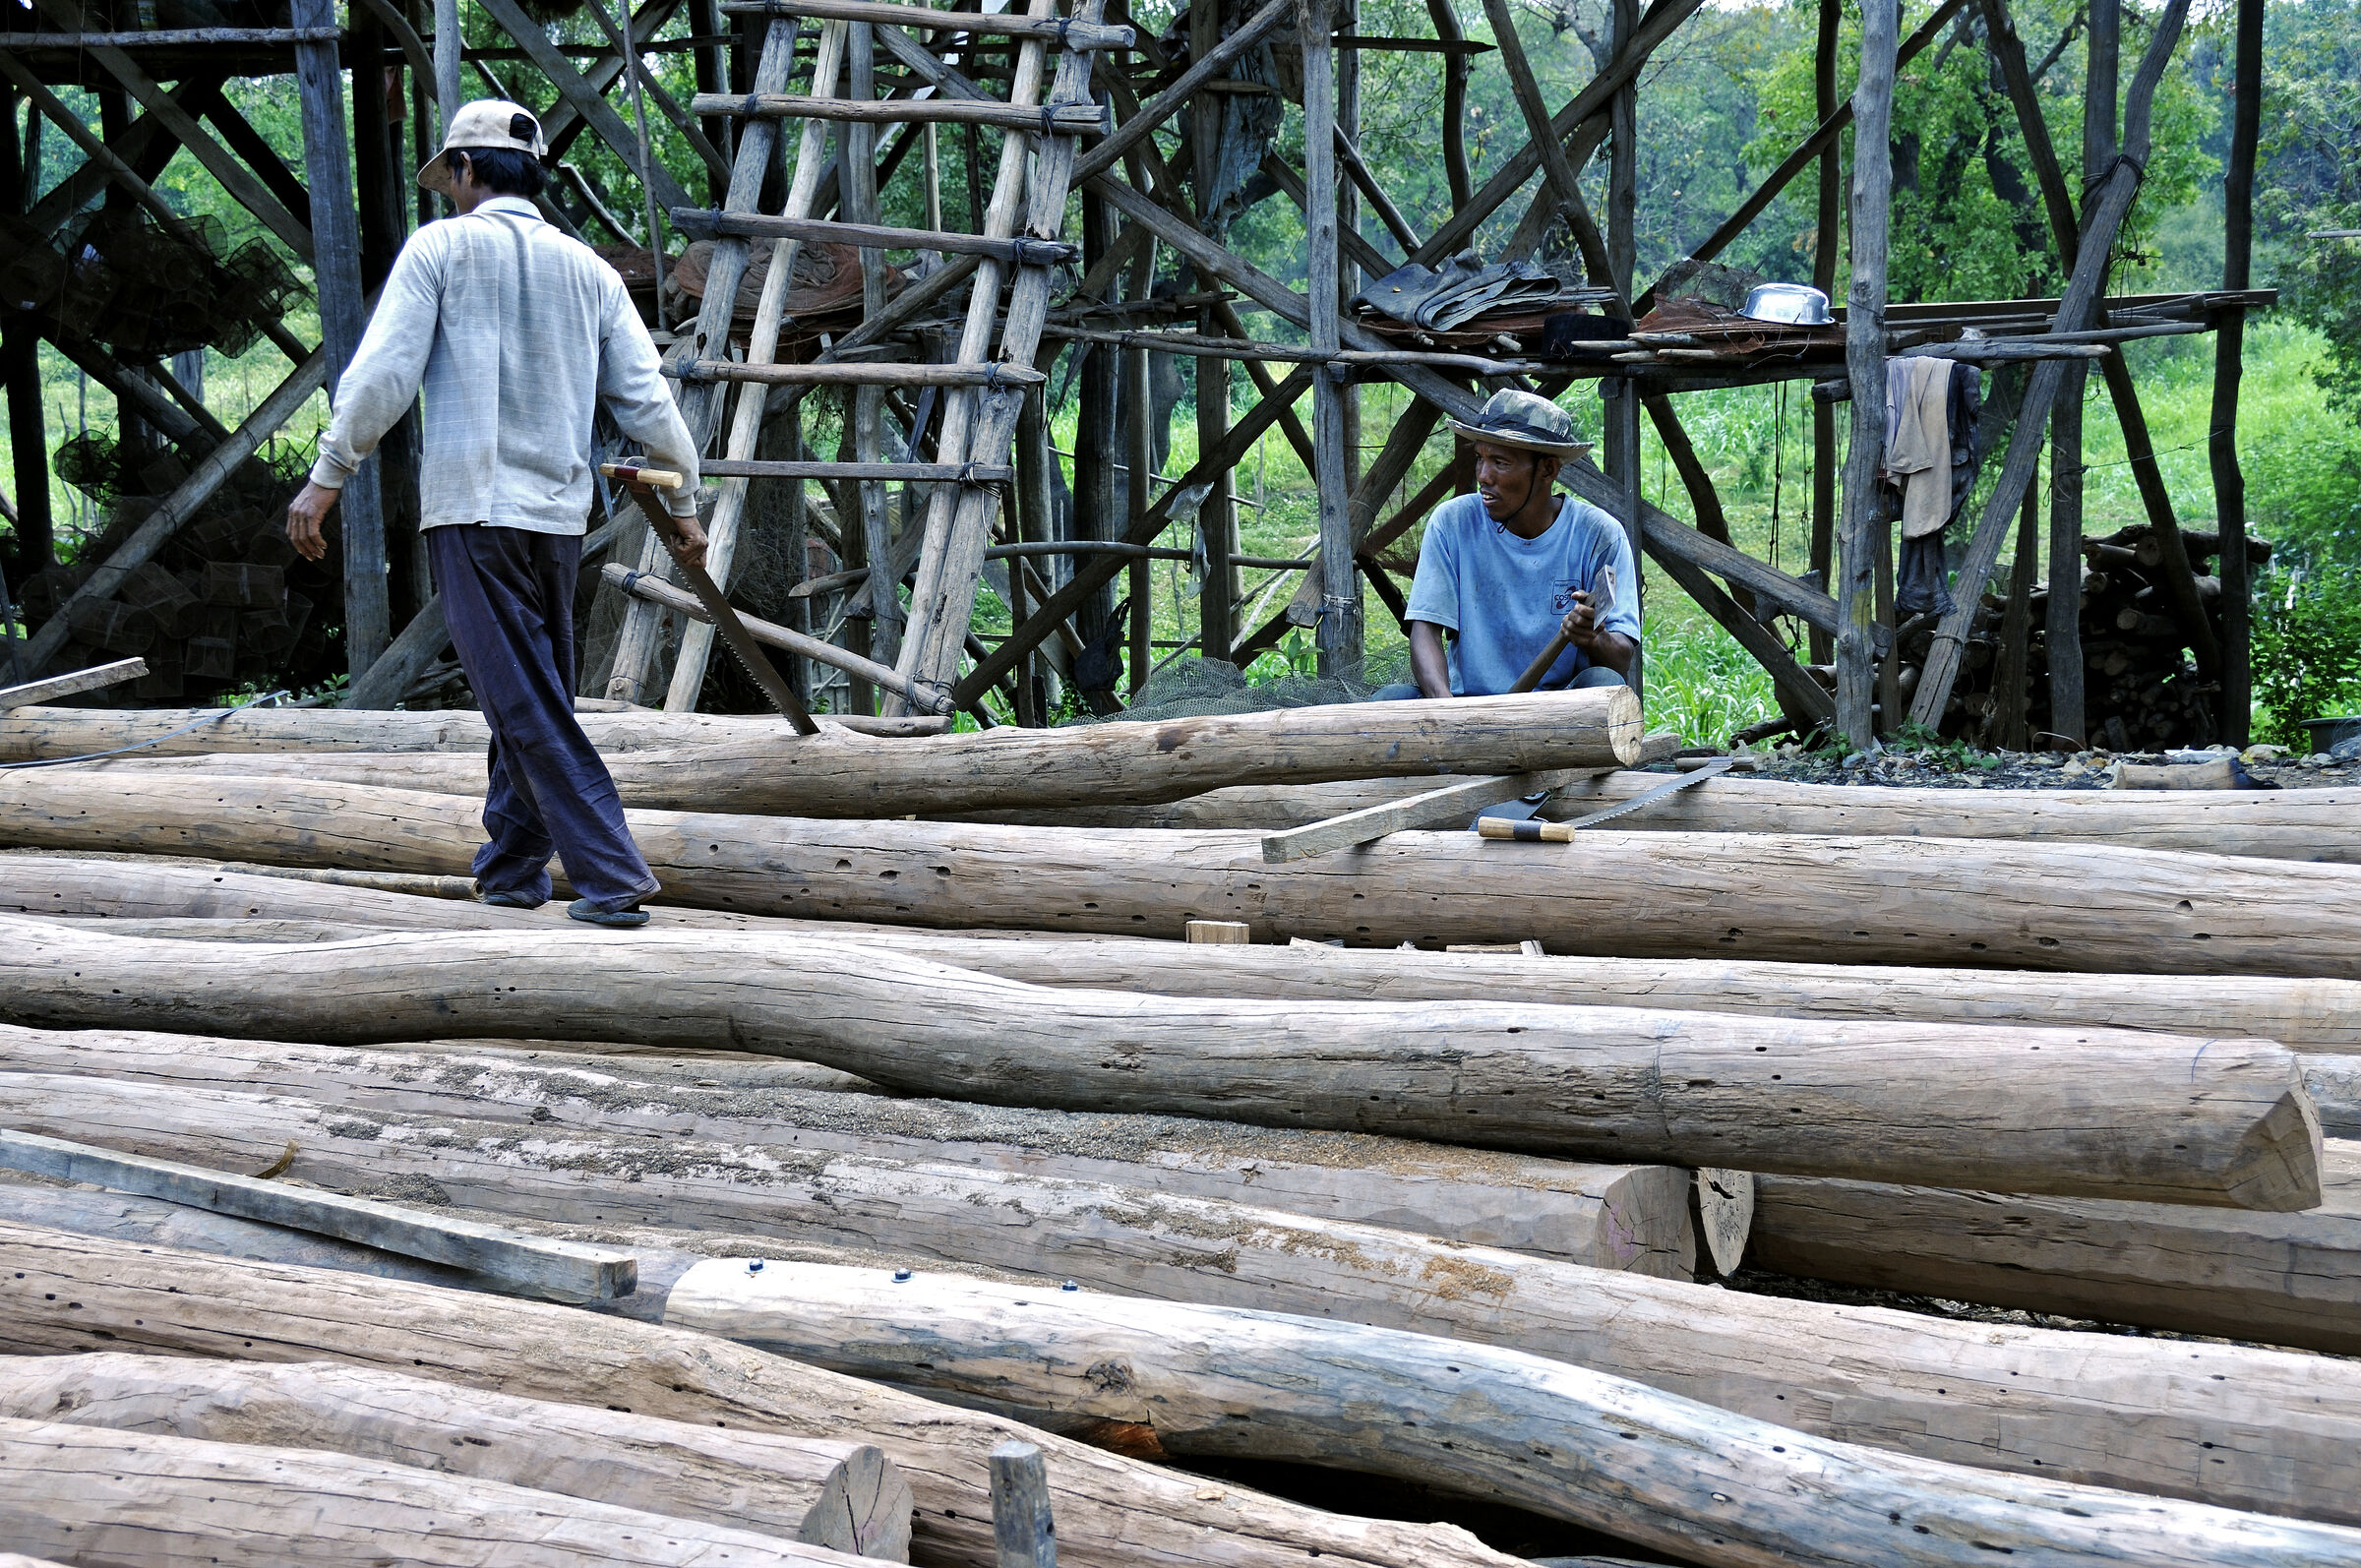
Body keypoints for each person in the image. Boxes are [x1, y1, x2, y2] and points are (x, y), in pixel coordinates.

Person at [283, 100, 703, 929]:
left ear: (467, 171)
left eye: (452, 177)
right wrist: (683, 498)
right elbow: (648, 401)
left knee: (522, 700)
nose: (449, 192)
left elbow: (383, 375)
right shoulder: (591, 270)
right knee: (530, 687)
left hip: (474, 513)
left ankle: (613, 874)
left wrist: (327, 473)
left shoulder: (441, 248)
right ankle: (512, 867)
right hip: (555, 520)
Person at [1374, 389, 1640, 700]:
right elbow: (1425, 631)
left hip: (1561, 711)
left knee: (1602, 682)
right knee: (1390, 701)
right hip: (1467, 707)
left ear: (1548, 470)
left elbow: (1621, 658)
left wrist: (1595, 637)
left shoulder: (1599, 535)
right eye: (1480, 459)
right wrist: (1448, 715)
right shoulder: (1453, 523)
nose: (1484, 476)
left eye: (1500, 462)